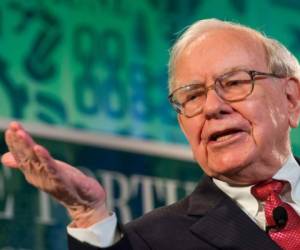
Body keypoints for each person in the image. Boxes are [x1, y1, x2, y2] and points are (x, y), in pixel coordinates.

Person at [1, 18, 300, 250]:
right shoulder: (150, 241)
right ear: (183, 124)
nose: (211, 107)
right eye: (193, 96)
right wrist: (88, 214)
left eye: (234, 83)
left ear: (291, 99)